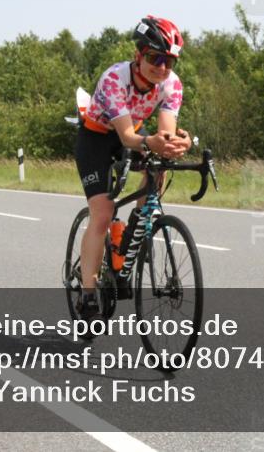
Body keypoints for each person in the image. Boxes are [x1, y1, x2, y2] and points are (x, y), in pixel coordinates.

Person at [74, 16, 191, 318]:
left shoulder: (171, 85)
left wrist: (177, 142)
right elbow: (126, 137)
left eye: (169, 61)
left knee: (160, 165)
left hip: (133, 134)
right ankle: (88, 291)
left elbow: (164, 132)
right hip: (98, 138)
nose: (162, 67)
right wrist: (152, 142)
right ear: (138, 55)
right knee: (102, 214)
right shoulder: (115, 78)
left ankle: (137, 225)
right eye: (155, 58)